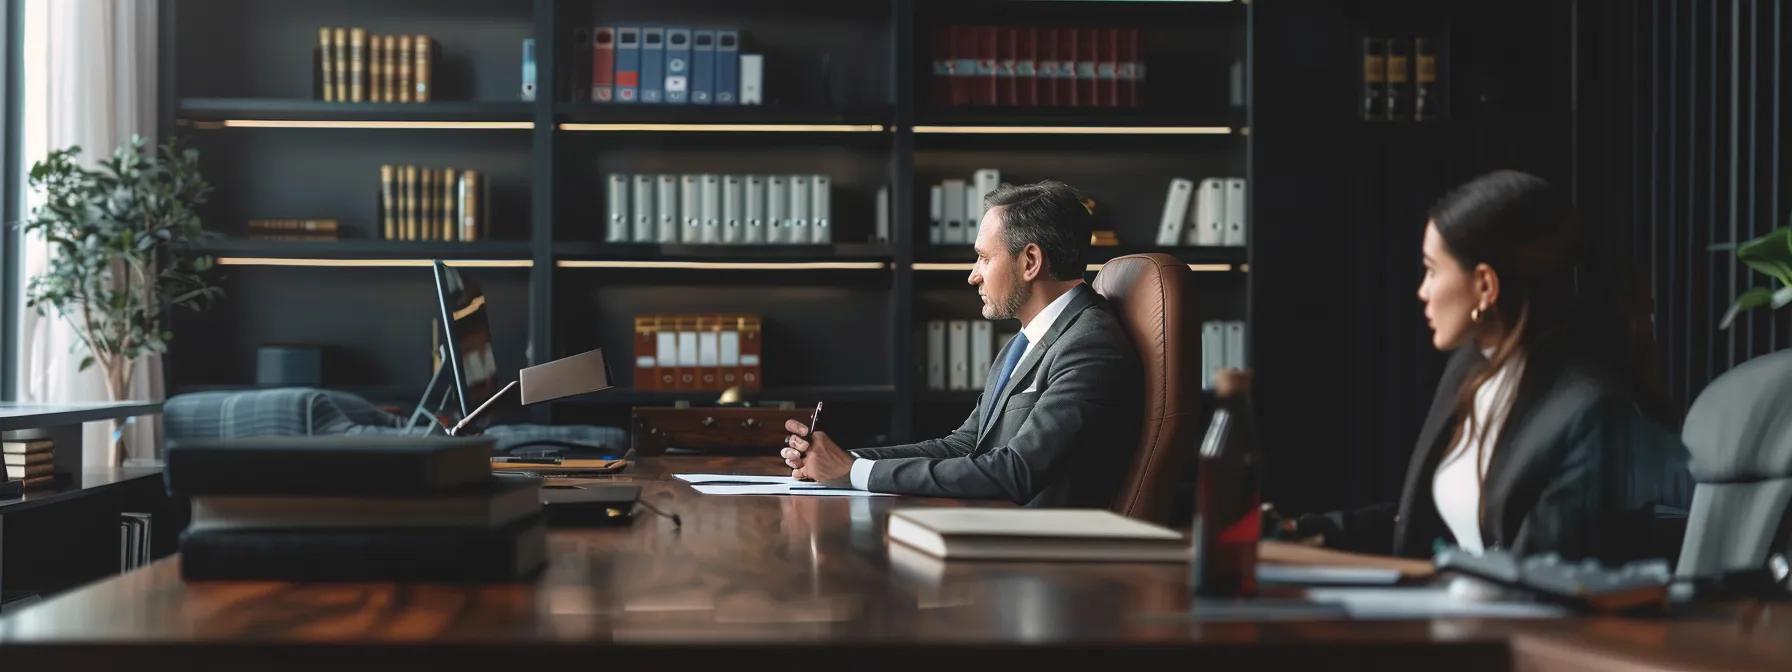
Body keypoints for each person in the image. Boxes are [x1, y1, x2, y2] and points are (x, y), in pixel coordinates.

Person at [1278, 170, 1691, 563]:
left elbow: (1542, 571)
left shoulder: (1587, 411)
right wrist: (1300, 531)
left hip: (1523, 631)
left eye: (1431, 270)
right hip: (1457, 615)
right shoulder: (1471, 370)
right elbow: (1422, 524)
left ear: (1485, 286)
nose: (1422, 291)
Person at [779, 180, 1143, 506]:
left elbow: (1015, 471)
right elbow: (964, 446)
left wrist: (854, 474)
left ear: (1030, 261)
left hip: (1039, 555)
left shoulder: (1090, 344)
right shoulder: (1026, 340)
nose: (973, 276)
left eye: (984, 257)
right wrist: (844, 460)